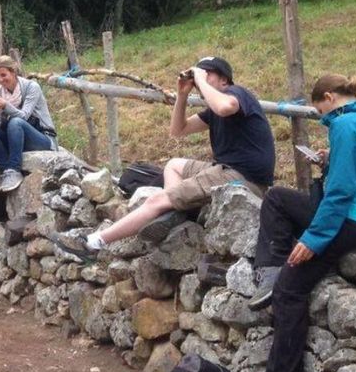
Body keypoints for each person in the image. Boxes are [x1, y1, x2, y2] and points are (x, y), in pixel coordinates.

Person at [239, 75, 356, 372]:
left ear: (329, 97)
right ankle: (273, 269)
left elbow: (342, 190)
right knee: (278, 199)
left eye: (320, 110)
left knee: (290, 287)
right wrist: (331, 159)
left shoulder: (347, 125)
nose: (321, 117)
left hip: (353, 217)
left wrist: (315, 238)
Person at [53, 56, 275, 257]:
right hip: (225, 169)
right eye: (199, 75)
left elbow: (225, 107)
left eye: (207, 74)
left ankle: (94, 243)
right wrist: (182, 95)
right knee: (174, 165)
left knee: (157, 200)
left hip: (245, 179)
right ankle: (175, 209)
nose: (200, 80)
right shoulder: (214, 108)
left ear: (225, 80)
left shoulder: (236, 94)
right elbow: (178, 130)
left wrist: (201, 80)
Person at [0, 55, 57, 193]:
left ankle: (14, 169)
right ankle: (7, 170)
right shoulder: (0, 92)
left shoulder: (31, 87)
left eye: (3, 75)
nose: (0, 80)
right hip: (16, 137)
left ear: (13, 72)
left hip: (42, 137)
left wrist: (5, 105)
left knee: (16, 122)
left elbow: (24, 116)